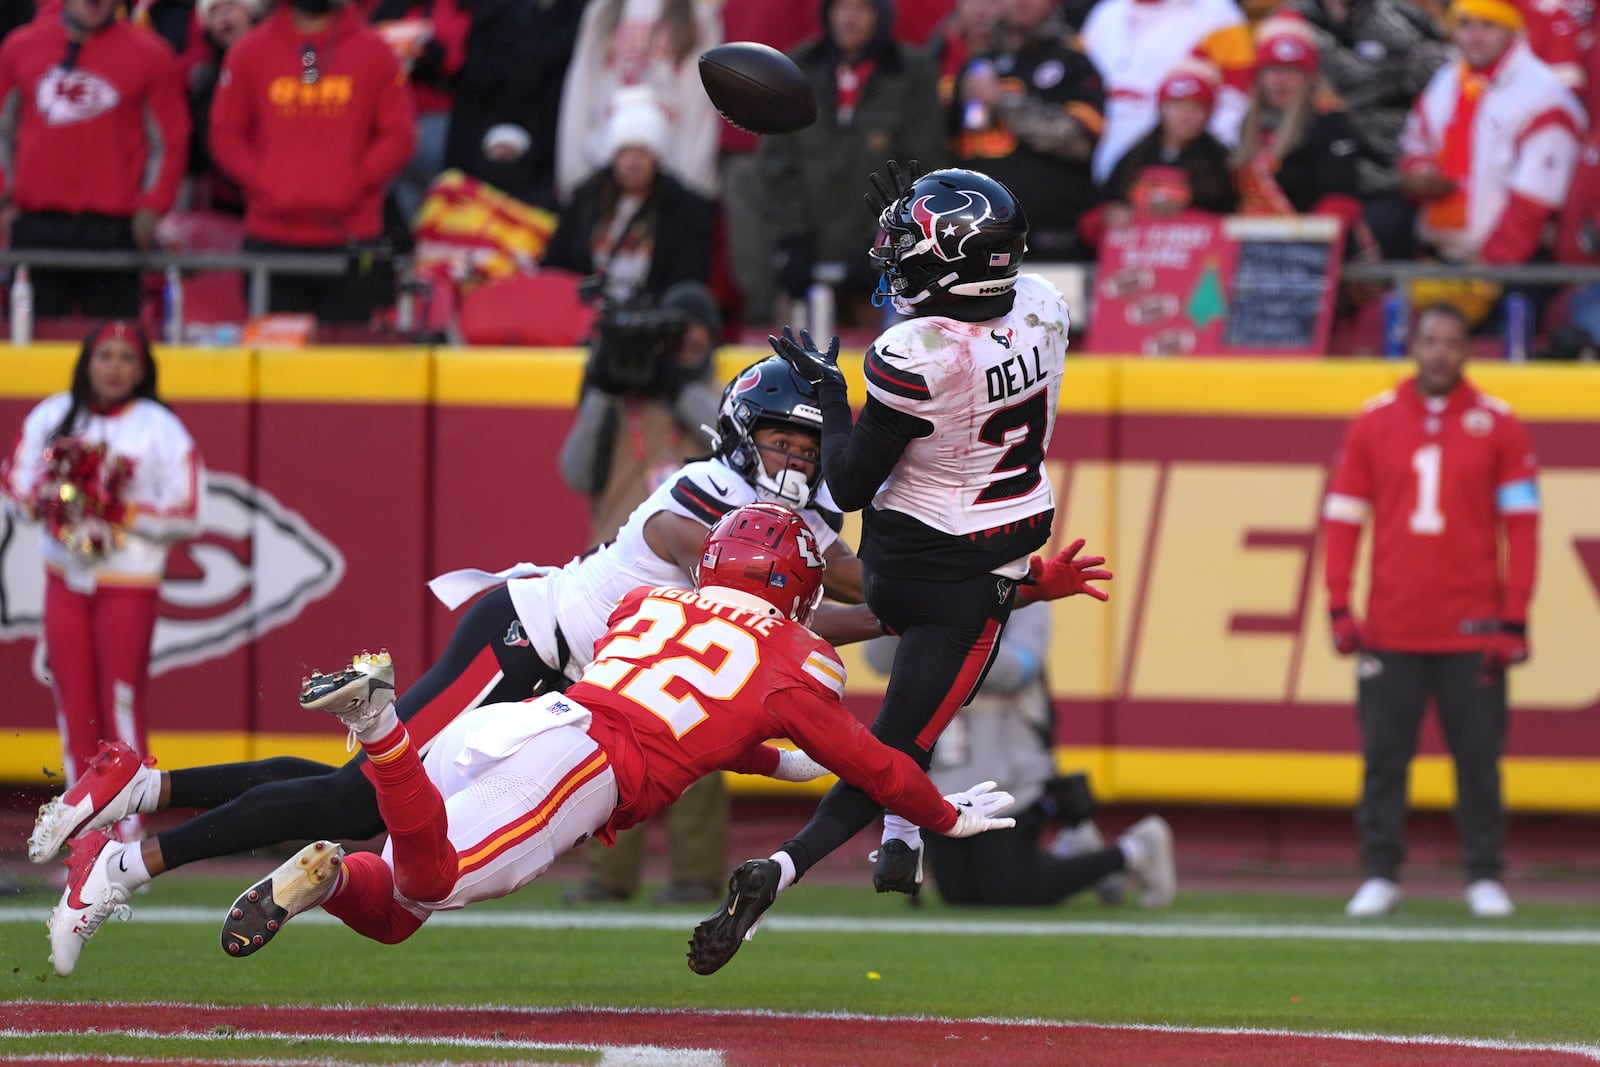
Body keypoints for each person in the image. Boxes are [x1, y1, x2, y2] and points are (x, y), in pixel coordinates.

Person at [33, 353, 875, 978]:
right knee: (362, 800)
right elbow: (823, 592)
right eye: (783, 440)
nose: (798, 462)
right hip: (523, 647)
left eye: (812, 447)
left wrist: (930, 598)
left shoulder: (775, 518)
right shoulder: (706, 492)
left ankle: (140, 787)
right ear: (740, 433)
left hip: (565, 694)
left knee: (370, 800)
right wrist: (940, 591)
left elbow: (797, 613)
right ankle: (121, 864)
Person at [213, 504, 1018, 956]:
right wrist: (945, 815)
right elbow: (877, 769)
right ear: (802, 588)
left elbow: (705, 722)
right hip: (577, 768)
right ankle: (380, 725)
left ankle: (321, 874)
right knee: (433, 881)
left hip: (513, 724)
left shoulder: (651, 604)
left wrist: (787, 765)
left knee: (392, 908)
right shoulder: (792, 661)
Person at [688, 163, 1132, 977]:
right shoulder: (1043, 305)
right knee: (899, 741)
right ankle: (814, 858)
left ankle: (899, 833)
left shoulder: (913, 353)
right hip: (984, 560)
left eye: (908, 246)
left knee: (904, 723)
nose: (894, 259)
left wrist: (830, 392)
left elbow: (850, 483)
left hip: (904, 555)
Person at [1320, 303, 1539, 919]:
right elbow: (1342, 521)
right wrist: (1340, 605)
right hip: (1392, 626)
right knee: (1384, 759)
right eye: (1430, 339)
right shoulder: (1374, 421)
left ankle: (1484, 875)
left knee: (1478, 762)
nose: (1439, 351)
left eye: (1452, 340)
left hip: (1473, 627)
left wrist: (1514, 617)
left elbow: (1523, 528)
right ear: (1412, 346)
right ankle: (1381, 873)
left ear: (1467, 349)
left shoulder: (1499, 423)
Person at [556, 279, 730, 905]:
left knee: (696, 726)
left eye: (692, 335)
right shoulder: (619, 401)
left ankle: (695, 873)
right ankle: (607, 874)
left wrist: (678, 389)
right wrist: (605, 385)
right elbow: (576, 472)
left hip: (694, 580)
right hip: (616, 578)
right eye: (671, 337)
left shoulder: (721, 399)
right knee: (604, 729)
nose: (680, 346)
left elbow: (727, 436)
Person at [0, 322, 205, 795]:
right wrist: (44, 501)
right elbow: (17, 483)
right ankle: (83, 835)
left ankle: (128, 834)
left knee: (121, 705)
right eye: (105, 355)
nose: (114, 367)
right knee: (73, 704)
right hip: (64, 580)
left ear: (142, 369)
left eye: (126, 358)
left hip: (128, 584)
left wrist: (121, 510)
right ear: (87, 362)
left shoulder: (160, 426)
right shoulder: (53, 414)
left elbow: (189, 511)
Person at [862, 601, 1170, 909]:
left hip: (1010, 769)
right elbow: (877, 660)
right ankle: (1074, 852)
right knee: (960, 895)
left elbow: (1019, 670)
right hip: (947, 772)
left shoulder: (1023, 597)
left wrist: (945, 637)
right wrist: (906, 610)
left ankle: (1134, 850)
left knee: (1008, 891)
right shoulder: (924, 593)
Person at [207, 0, 417, 324]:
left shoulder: (375, 52)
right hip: (272, 237)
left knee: (347, 366)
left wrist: (355, 181)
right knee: (276, 369)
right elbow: (226, 134)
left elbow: (398, 135)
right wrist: (266, 182)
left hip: (351, 239)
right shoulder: (249, 52)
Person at [1396, 0, 1582, 331]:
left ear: (1511, 29)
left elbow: (1534, 203)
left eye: (1488, 25)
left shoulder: (1544, 96)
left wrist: (1485, 274)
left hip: (1514, 269)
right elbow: (1415, 143)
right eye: (1466, 24)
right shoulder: (1445, 80)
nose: (1474, 36)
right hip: (1446, 260)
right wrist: (1420, 170)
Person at [762, 0, 948, 327]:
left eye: (862, 8)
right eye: (841, 7)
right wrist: (792, 239)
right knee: (795, 359)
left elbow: (921, 165)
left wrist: (881, 240)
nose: (850, 17)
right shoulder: (797, 66)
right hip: (805, 257)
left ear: (881, 15)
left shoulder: (911, 71)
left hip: (881, 264)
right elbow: (777, 162)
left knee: (879, 362)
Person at [0, 0, 190, 317]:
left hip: (116, 230)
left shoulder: (151, 54)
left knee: (114, 345)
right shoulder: (20, 47)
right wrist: (3, 201)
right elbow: (3, 130)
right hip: (36, 226)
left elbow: (170, 143)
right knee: (38, 348)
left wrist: (150, 211)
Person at [950, 0, 1104, 263]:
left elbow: (1079, 142)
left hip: (1051, 238)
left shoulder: (1073, 60)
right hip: (975, 240)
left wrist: (1002, 101)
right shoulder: (976, 63)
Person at [541, 88, 716, 308]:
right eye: (625, 151)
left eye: (643, 151)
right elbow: (557, 265)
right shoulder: (584, 200)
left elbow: (689, 277)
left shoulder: (685, 208)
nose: (633, 161)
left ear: (657, 156)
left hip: (654, 320)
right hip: (584, 318)